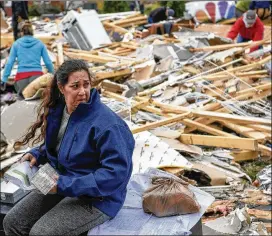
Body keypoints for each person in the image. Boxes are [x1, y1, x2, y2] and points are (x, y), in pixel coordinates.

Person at [3, 59, 135, 236]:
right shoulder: (59, 111)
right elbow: (59, 144)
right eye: (75, 86)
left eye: (86, 85)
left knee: (41, 232)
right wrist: (37, 154)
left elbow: (115, 174)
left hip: (99, 197)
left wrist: (62, 185)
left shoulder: (109, 126)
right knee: (13, 222)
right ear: (61, 87)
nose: (82, 92)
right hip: (64, 181)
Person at [1, 21, 54, 97]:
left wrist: (4, 79)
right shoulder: (39, 43)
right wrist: (54, 75)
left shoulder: (16, 44)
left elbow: (10, 63)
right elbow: (48, 62)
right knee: (38, 100)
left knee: (21, 98)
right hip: (37, 78)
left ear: (21, 33)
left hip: (21, 79)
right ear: (32, 31)